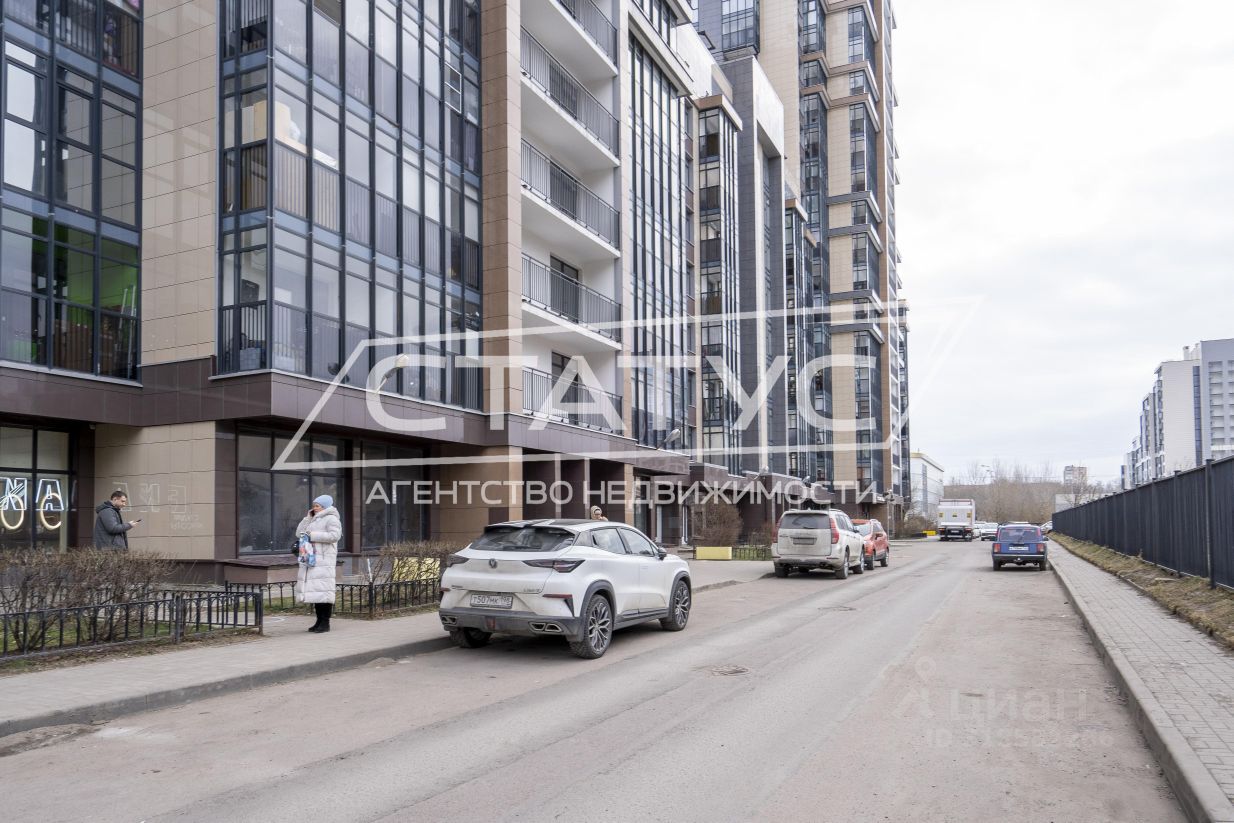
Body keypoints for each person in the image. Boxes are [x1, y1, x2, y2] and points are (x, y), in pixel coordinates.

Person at [295, 495, 342, 633]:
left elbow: (334, 536)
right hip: (312, 558)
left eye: (317, 506)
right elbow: (299, 533)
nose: (314, 508)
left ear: (325, 506)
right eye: (314, 505)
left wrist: (313, 535)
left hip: (324, 560)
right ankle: (318, 621)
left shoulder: (332, 518)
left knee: (324, 592)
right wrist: (307, 518)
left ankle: (325, 623)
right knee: (317, 592)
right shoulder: (313, 518)